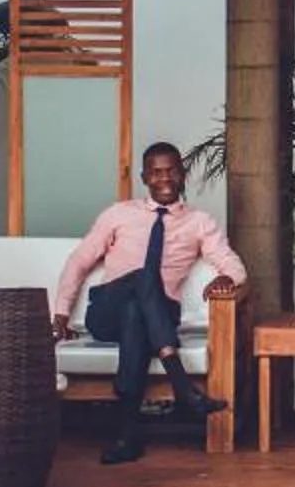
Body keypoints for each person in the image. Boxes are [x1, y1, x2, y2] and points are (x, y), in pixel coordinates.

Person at [53, 142, 244, 465]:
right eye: (156, 172)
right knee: (142, 280)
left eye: (171, 170)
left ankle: (128, 436)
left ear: (182, 175)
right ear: (144, 177)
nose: (164, 178)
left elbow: (233, 264)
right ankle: (182, 386)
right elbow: (78, 262)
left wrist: (228, 279)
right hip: (106, 312)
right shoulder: (118, 214)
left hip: (157, 317)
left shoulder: (199, 222)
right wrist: (60, 313)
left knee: (136, 315)